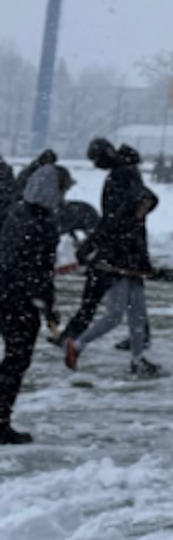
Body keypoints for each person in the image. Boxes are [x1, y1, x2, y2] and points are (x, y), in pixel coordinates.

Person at [64, 188, 162, 377]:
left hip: (133, 274)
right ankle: (76, 345)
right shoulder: (115, 221)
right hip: (112, 273)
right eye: (142, 206)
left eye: (148, 208)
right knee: (115, 315)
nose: (144, 211)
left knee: (138, 316)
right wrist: (85, 257)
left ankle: (137, 359)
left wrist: (146, 268)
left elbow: (141, 250)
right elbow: (94, 241)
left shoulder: (139, 224)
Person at [0, 166, 65, 444]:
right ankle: (1, 421)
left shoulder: (16, 213)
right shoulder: (44, 223)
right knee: (16, 360)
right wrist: (49, 309)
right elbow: (41, 272)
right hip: (21, 300)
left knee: (12, 359)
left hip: (4, 290)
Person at [60, 139, 144, 348]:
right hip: (128, 246)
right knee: (135, 306)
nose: (96, 165)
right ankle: (139, 354)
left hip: (118, 249)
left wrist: (91, 244)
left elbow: (114, 218)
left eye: (96, 159)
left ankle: (75, 340)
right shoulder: (128, 171)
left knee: (106, 304)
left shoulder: (120, 176)